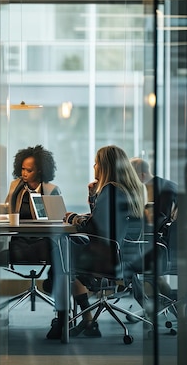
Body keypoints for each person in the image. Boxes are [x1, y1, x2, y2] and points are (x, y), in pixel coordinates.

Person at [46, 145, 146, 340]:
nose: (94, 167)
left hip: (105, 257)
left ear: (105, 166)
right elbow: (103, 221)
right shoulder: (133, 189)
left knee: (60, 252)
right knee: (65, 256)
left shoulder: (111, 189)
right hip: (124, 255)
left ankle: (78, 317)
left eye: (96, 163)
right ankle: (84, 315)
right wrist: (93, 197)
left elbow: (94, 227)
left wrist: (73, 218)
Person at [4, 145, 61, 287]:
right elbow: (6, 210)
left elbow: (59, 220)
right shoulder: (16, 188)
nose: (24, 173)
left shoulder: (51, 190)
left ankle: (53, 284)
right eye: (22, 169)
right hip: (19, 241)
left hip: (42, 241)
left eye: (29, 170)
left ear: (40, 170)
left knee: (62, 251)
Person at [127, 157, 178, 309]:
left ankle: (149, 307)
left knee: (129, 260)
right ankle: (165, 302)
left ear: (141, 175)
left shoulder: (162, 189)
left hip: (166, 245)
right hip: (163, 243)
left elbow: (158, 222)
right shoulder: (159, 186)